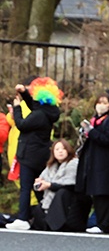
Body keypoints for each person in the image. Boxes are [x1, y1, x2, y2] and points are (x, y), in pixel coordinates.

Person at [7, 77, 62, 230]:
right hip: (40, 154)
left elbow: (22, 125)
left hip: (29, 154)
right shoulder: (48, 111)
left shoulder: (39, 115)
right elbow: (33, 105)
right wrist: (24, 93)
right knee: (38, 186)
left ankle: (23, 218)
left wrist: (17, 108)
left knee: (26, 187)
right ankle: (46, 215)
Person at [76, 93, 109, 234]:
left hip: (106, 163)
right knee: (96, 194)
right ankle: (100, 222)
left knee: (105, 195)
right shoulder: (94, 120)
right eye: (99, 102)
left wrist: (92, 132)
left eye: (105, 103)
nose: (101, 105)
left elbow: (108, 140)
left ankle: (105, 224)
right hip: (93, 162)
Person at [30, 139, 86, 232]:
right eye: (57, 149)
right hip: (51, 198)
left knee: (62, 192)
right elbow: (42, 180)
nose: (60, 151)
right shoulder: (51, 166)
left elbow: (70, 184)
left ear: (68, 150)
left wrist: (49, 185)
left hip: (71, 198)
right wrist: (39, 182)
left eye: (63, 149)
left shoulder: (74, 163)